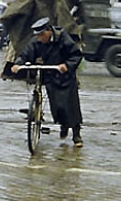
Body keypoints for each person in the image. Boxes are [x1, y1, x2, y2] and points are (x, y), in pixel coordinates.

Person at [10, 17, 84, 147]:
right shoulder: (36, 42)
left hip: (65, 76)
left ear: (49, 31)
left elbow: (76, 55)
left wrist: (66, 65)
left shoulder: (63, 38)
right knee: (57, 106)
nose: (40, 38)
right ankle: (63, 125)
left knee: (70, 106)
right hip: (50, 75)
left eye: (42, 34)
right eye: (38, 35)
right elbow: (25, 54)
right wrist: (18, 64)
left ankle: (76, 134)